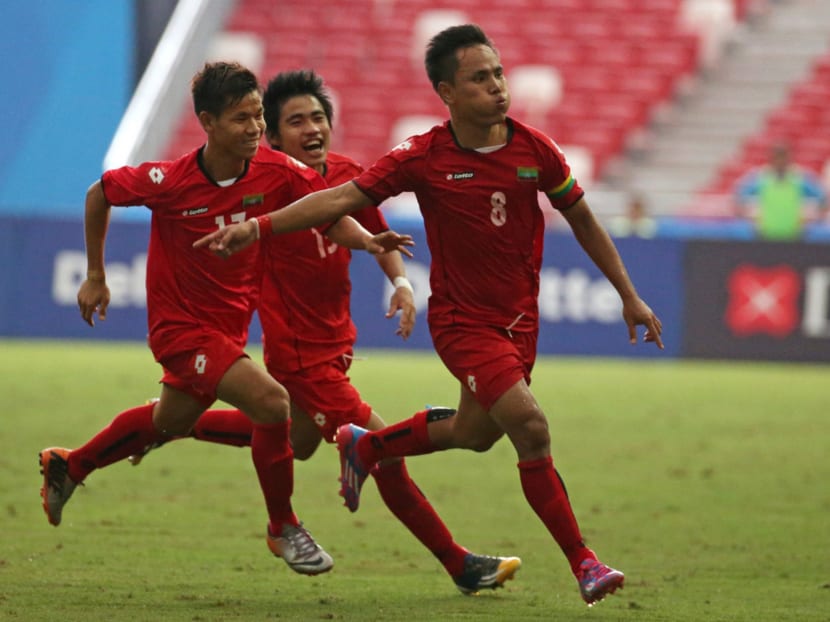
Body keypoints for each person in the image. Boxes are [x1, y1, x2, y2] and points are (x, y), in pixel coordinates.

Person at [194, 25, 664, 606]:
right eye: (480, 78)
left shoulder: (536, 150)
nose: (497, 86)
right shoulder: (424, 156)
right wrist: (257, 228)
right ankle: (584, 563)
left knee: (475, 433)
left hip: (520, 323)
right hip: (463, 324)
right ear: (447, 92)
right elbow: (341, 199)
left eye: (498, 74)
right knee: (530, 427)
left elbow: (584, 219)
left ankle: (369, 446)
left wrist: (628, 294)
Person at [129, 69, 521, 594]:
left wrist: (401, 284)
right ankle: (460, 564)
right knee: (383, 450)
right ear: (271, 138)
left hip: (336, 345)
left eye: (318, 117)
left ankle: (170, 425)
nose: (311, 128)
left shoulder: (346, 176)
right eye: (295, 122)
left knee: (298, 441)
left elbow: (375, 231)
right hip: (300, 357)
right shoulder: (267, 187)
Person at [38, 61, 411, 577]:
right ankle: (283, 527)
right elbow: (99, 193)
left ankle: (70, 464)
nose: (256, 128)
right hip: (180, 328)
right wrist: (96, 275)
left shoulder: (277, 170)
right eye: (242, 118)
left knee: (172, 421)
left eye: (259, 116)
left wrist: (367, 242)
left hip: (228, 328)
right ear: (208, 122)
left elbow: (328, 213)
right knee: (272, 402)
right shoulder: (169, 180)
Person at [734, 141, 827, 240]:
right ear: (771, 159)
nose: (780, 161)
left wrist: (818, 216)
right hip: (766, 233)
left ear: (789, 158)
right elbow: (740, 195)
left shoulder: (799, 178)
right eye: (777, 157)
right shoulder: (761, 178)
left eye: (783, 157)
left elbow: (822, 196)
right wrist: (744, 214)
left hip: (793, 234)